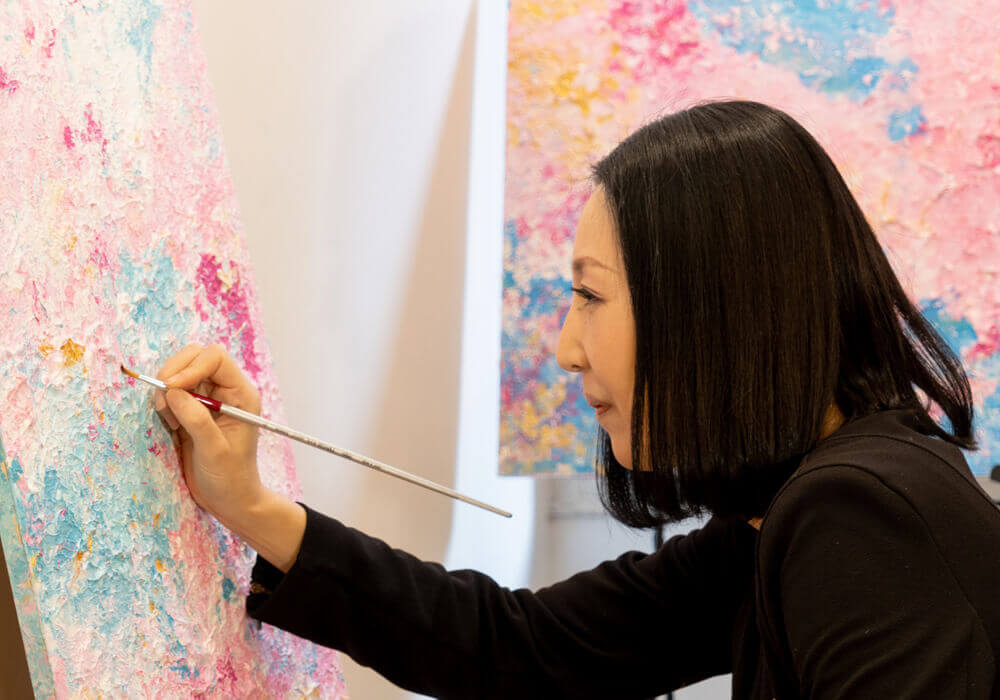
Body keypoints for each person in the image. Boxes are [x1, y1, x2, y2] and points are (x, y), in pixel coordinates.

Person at [154, 100, 1000, 699]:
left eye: (591, 296)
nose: (566, 348)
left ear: (712, 309)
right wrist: (251, 507)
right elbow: (518, 647)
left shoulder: (857, 515)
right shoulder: (781, 514)